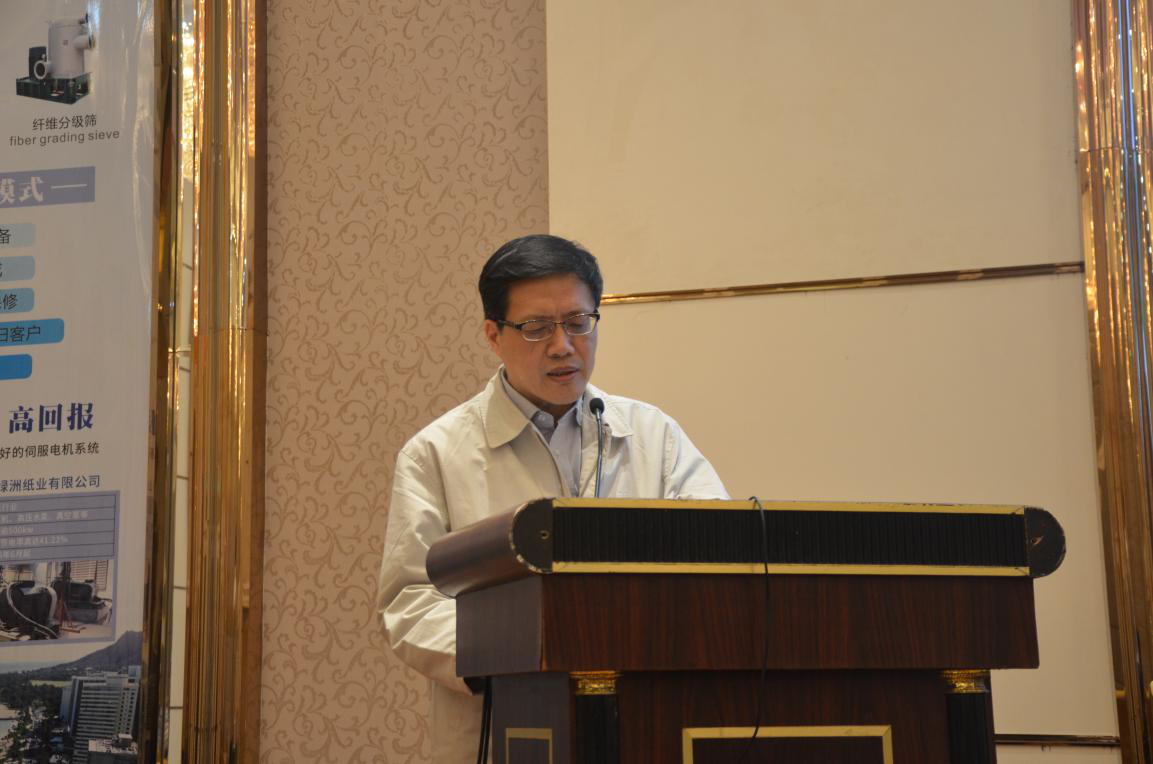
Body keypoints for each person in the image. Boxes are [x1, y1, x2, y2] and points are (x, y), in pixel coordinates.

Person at [377, 234, 728, 762]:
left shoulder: (654, 436)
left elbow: (720, 559)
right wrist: (521, 655)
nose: (563, 345)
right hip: (502, 726)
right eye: (537, 327)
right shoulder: (436, 453)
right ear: (493, 335)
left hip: (645, 717)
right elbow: (410, 601)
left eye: (578, 322)